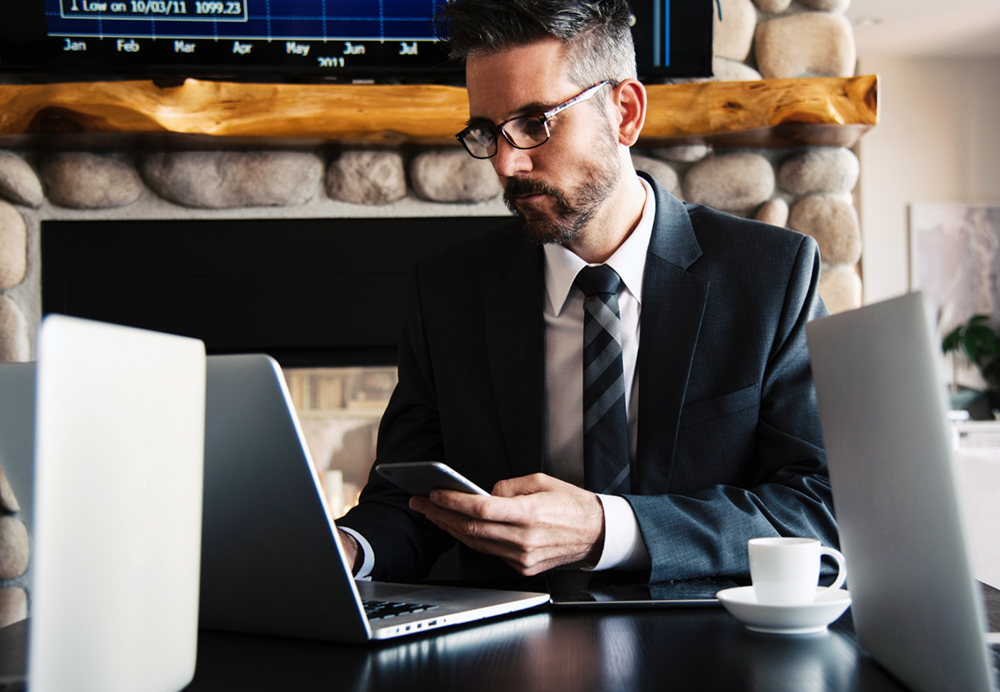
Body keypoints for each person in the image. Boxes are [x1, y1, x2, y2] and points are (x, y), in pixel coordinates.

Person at [336, 0, 836, 584]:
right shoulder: (445, 294)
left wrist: (607, 529)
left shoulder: (771, 276)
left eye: (534, 123)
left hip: (704, 643)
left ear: (625, 113)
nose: (506, 162)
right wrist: (345, 548)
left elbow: (819, 506)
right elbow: (408, 503)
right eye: (486, 131)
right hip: (507, 652)